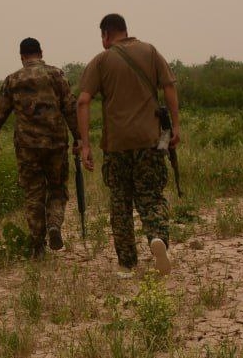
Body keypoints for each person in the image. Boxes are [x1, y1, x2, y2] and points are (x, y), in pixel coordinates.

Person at [76, 14, 181, 274]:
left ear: (105, 35)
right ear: (125, 30)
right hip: (150, 141)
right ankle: (157, 238)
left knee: (120, 203)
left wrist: (86, 145)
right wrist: (175, 127)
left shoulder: (101, 61)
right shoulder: (150, 51)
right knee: (152, 196)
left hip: (116, 146)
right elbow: (169, 87)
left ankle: (126, 263)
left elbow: (83, 102)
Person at [0, 37, 80, 256]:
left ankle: (37, 245)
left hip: (27, 147)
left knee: (33, 194)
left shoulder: (13, 80)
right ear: (41, 53)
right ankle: (54, 224)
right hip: (56, 144)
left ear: (21, 56)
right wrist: (79, 139)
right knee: (57, 189)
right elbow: (70, 108)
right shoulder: (56, 75)